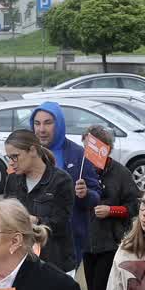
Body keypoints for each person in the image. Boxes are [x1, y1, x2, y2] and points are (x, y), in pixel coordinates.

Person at [81, 125, 141, 290]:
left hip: (111, 242)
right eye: (86, 147)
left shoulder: (120, 173)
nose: (90, 153)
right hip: (86, 242)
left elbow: (134, 205)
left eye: (95, 148)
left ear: (107, 149)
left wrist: (112, 211)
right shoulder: (80, 172)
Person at [29, 102, 100, 272]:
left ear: (59, 124)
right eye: (37, 123)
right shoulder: (26, 154)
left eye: (48, 123)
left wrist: (85, 194)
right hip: (33, 238)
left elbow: (95, 195)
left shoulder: (77, 154)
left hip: (67, 242)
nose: (41, 129)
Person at [4, 128, 79, 274]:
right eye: (9, 158)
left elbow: (62, 222)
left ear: (32, 150)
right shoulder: (12, 180)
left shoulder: (61, 180)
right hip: (21, 262)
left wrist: (36, 221)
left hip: (55, 262)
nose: (11, 163)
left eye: (15, 157)